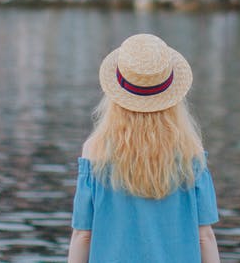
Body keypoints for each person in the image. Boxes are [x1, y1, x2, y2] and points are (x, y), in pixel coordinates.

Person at [67, 33, 221, 263]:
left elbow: (83, 236)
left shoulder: (95, 150)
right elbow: (205, 237)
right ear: (172, 96)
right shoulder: (192, 151)